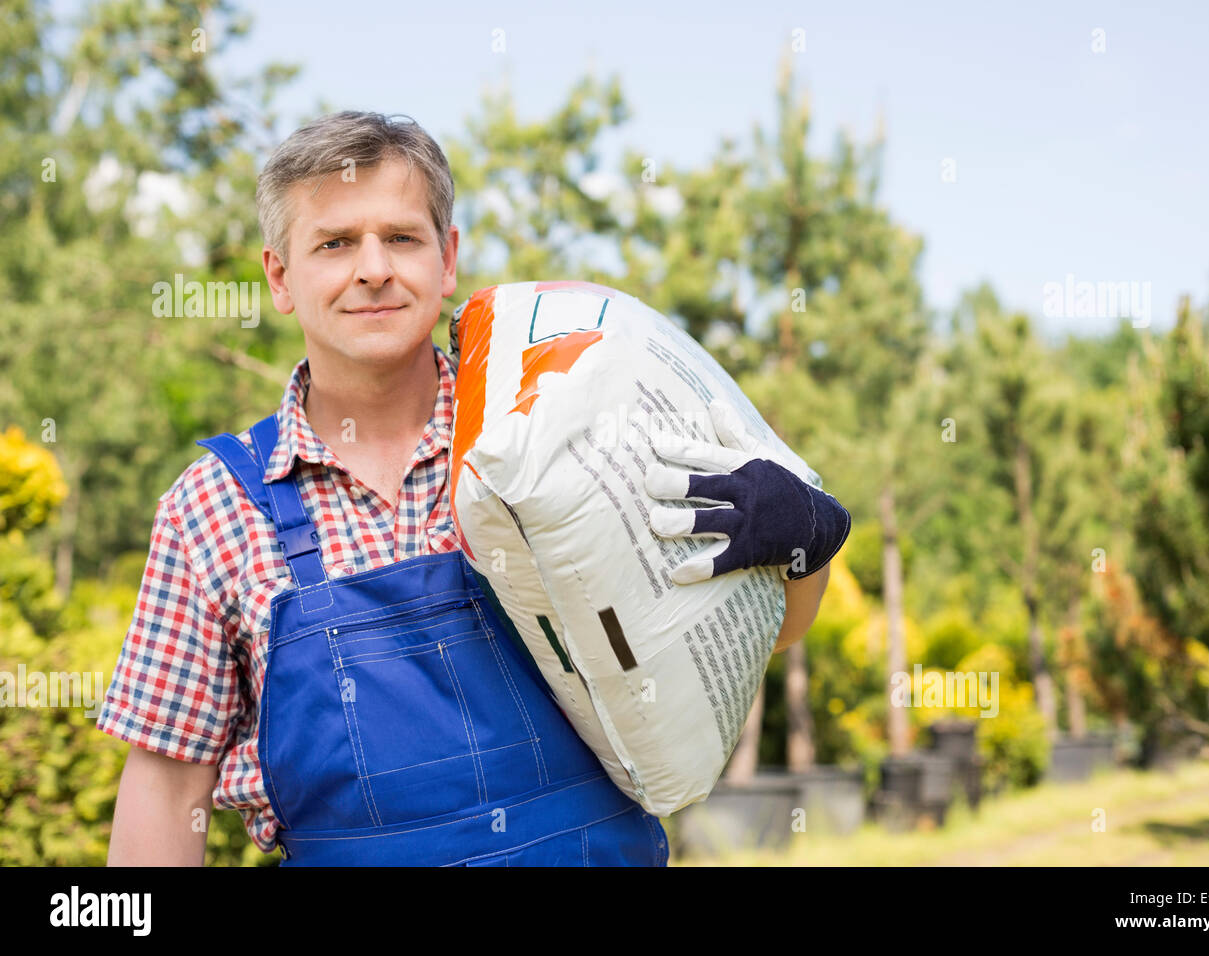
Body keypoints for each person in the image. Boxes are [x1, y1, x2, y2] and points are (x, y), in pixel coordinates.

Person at [97, 111, 850, 866]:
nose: (372, 269)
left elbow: (755, 631)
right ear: (280, 277)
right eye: (334, 244)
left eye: (401, 237)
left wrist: (797, 547)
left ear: (447, 258)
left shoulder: (561, 432)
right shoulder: (214, 509)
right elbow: (166, 789)